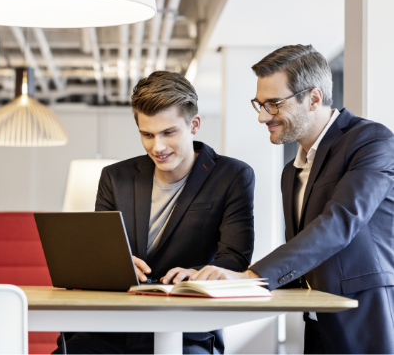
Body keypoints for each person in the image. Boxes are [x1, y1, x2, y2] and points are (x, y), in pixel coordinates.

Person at [190, 45, 394, 354]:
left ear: (313, 98)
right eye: (259, 104)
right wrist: (227, 283)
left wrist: (253, 277)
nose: (262, 117)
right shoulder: (292, 170)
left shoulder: (370, 142)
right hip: (316, 324)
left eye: (273, 104)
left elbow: (338, 224)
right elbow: (306, 253)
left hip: (365, 320)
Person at [52, 71, 255, 355]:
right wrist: (117, 267)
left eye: (168, 133)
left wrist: (192, 274)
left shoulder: (232, 176)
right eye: (147, 135)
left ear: (194, 124)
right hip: (110, 329)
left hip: (186, 329)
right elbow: (100, 254)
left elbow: (234, 259)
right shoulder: (115, 177)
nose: (157, 147)